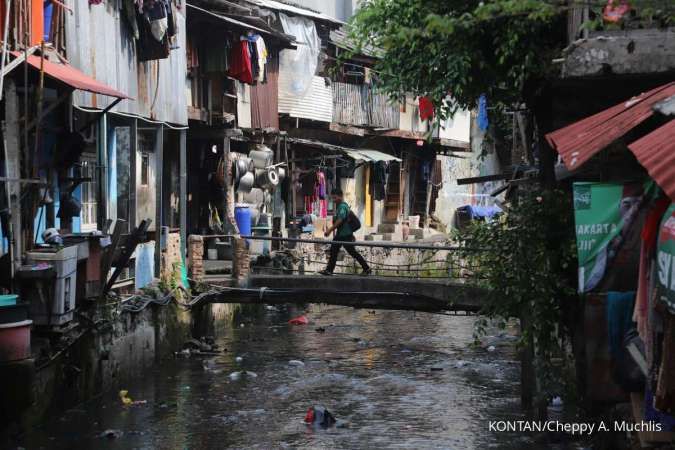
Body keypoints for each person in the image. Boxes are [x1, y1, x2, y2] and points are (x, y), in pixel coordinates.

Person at [319, 188, 371, 276]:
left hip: (344, 235)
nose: (334, 200)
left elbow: (340, 220)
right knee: (334, 251)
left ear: (340, 196)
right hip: (342, 234)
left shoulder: (342, 206)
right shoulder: (342, 206)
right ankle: (329, 270)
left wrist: (329, 230)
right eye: (332, 198)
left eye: (335, 198)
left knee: (351, 252)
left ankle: (366, 268)